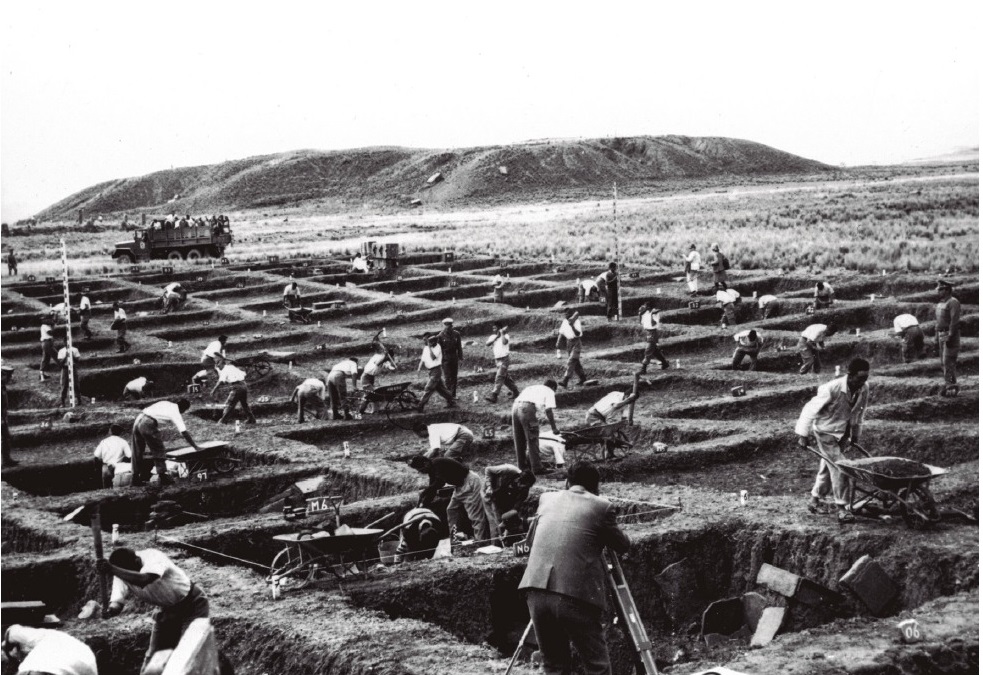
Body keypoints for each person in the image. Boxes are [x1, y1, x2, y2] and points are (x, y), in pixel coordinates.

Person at [519, 460, 631, 675]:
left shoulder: (546, 499)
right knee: (596, 666)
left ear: (567, 481)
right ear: (595, 485)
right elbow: (623, 545)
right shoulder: (601, 505)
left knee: (553, 665)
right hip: (574, 594)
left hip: (535, 590)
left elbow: (532, 541)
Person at [100, 547, 209, 671]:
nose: (128, 575)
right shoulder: (120, 573)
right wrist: (110, 611)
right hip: (166, 610)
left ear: (137, 560)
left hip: (192, 605)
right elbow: (117, 602)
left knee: (188, 654)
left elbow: (145, 579)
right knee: (154, 658)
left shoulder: (153, 556)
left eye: (131, 570)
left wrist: (112, 569)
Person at [795, 357, 870, 523]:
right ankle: (842, 508)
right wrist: (803, 435)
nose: (863, 382)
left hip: (842, 433)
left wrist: (855, 435)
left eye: (865, 378)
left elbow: (859, 413)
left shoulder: (864, 388)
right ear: (850, 375)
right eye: (860, 378)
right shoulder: (831, 388)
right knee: (842, 467)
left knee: (828, 467)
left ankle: (815, 500)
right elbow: (809, 410)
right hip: (825, 432)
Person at [409, 455, 493, 543]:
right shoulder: (431, 469)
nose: (422, 472)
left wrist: (425, 491)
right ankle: (455, 540)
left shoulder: (437, 463)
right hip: (459, 487)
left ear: (425, 463)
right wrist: (423, 506)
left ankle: (481, 542)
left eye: (421, 470)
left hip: (469, 482)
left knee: (475, 515)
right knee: (451, 510)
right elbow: (433, 489)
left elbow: (439, 482)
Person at [131, 399, 201, 487]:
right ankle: (163, 476)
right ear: (183, 408)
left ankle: (135, 478)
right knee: (159, 449)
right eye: (184, 411)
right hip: (147, 422)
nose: (183, 412)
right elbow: (184, 432)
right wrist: (195, 446)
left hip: (139, 418)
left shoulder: (166, 403)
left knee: (137, 450)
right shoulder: (175, 412)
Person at [1, 625, 97, 675]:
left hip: (36, 671)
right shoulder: (87, 655)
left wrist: (6, 647)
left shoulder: (46, 635)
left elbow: (12, 631)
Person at [512, 380, 560, 476]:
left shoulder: (532, 387)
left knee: (519, 439)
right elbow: (548, 410)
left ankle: (522, 467)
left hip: (515, 407)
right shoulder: (549, 391)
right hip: (526, 409)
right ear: (553, 388)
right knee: (532, 439)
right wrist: (554, 428)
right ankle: (537, 468)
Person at [483, 464, 536, 544]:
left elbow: (515, 509)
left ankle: (507, 541)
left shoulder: (524, 491)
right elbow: (488, 470)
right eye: (521, 485)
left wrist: (506, 522)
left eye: (525, 487)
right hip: (490, 492)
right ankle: (496, 545)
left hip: (505, 498)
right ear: (518, 479)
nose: (522, 488)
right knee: (493, 521)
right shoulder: (508, 469)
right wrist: (489, 486)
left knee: (504, 522)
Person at [416, 334, 456, 411]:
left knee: (429, 388)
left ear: (430, 341)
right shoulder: (426, 348)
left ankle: (420, 405)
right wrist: (419, 368)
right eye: (424, 340)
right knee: (441, 389)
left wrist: (429, 347)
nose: (424, 341)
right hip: (430, 371)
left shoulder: (438, 347)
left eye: (426, 340)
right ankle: (451, 400)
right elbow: (422, 359)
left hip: (436, 371)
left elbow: (433, 357)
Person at [484, 322, 520, 403]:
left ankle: (494, 395)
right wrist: (496, 336)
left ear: (499, 328)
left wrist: (502, 333)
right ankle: (516, 392)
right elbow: (487, 344)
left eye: (495, 328)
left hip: (504, 359)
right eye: (493, 328)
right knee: (505, 378)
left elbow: (504, 342)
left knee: (499, 376)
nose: (493, 330)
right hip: (497, 360)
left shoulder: (506, 335)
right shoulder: (493, 336)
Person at [935, 280, 961, 389]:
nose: (938, 292)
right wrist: (936, 337)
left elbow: (954, 321)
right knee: (943, 361)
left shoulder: (953, 302)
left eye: (941, 289)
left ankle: (950, 385)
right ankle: (951, 385)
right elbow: (938, 322)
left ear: (947, 290)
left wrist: (950, 335)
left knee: (948, 360)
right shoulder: (941, 303)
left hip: (950, 335)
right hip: (942, 334)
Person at [358, 344, 396, 414]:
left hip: (371, 377)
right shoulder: (378, 357)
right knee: (371, 394)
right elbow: (377, 363)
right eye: (388, 357)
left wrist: (393, 368)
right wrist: (385, 357)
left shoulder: (385, 361)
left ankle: (363, 411)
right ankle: (373, 411)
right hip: (366, 377)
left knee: (369, 394)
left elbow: (389, 366)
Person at [94, 423, 132, 488]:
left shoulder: (104, 441)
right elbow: (129, 456)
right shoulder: (123, 442)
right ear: (120, 433)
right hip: (118, 468)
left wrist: (96, 468)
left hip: (106, 467)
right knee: (117, 491)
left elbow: (96, 456)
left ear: (110, 431)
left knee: (106, 491)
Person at [556, 309, 586, 388]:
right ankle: (583, 378)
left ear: (571, 315)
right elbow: (561, 332)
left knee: (571, 361)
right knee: (575, 363)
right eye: (565, 314)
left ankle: (565, 380)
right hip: (568, 343)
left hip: (576, 342)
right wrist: (558, 342)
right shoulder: (564, 321)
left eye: (568, 314)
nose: (566, 315)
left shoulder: (577, 321)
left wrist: (572, 325)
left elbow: (578, 333)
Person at [436, 318, 464, 399]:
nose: (448, 327)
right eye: (446, 325)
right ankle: (449, 396)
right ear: (444, 325)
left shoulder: (456, 334)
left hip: (454, 357)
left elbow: (459, 347)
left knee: (454, 377)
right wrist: (440, 360)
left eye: (449, 325)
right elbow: (438, 349)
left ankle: (453, 395)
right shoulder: (440, 336)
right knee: (447, 377)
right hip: (445, 358)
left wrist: (460, 358)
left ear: (452, 325)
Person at [638, 303, 669, 373]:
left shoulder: (655, 313)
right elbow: (641, 323)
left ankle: (643, 369)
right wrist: (640, 314)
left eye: (644, 306)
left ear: (648, 307)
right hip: (648, 333)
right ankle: (665, 363)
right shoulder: (645, 313)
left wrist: (652, 315)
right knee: (654, 351)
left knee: (648, 350)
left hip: (652, 333)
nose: (642, 307)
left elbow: (653, 324)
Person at [57, 342, 82, 407]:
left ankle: (79, 401)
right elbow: (60, 363)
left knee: (76, 384)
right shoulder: (61, 351)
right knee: (64, 385)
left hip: (73, 368)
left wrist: (72, 356)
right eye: (65, 341)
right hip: (65, 369)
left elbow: (78, 361)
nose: (67, 343)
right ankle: (62, 403)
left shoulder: (75, 349)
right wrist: (66, 356)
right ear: (64, 342)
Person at [2, 366, 17, 467]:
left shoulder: (2, 386)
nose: (9, 379)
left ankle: (7, 460)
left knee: (6, 438)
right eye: (8, 376)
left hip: (3, 417)